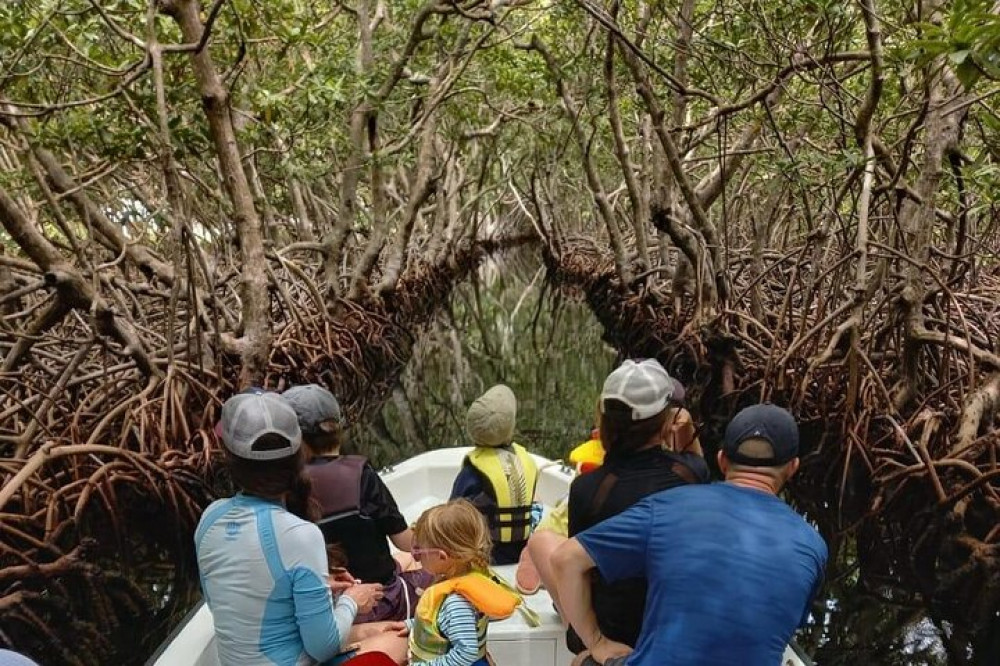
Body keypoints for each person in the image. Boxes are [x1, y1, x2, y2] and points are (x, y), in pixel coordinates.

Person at [552, 403, 829, 666]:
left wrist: (598, 642)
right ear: (793, 468)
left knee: (583, 661)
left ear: (722, 461)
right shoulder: (812, 545)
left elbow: (566, 559)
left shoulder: (668, 506)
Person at [195, 391, 407, 665]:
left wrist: (324, 586)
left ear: (230, 458)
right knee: (397, 638)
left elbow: (226, 602)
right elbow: (323, 647)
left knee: (375, 630)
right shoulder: (300, 535)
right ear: (299, 454)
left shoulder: (210, 517)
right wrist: (352, 600)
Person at [527, 359, 710, 657]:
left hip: (615, 638)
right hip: (669, 624)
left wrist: (596, 642)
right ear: (667, 422)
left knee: (543, 542)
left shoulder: (589, 490)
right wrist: (686, 434)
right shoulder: (691, 475)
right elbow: (696, 466)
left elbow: (582, 572)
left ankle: (588, 644)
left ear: (603, 421)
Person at [283, 383, 433, 623]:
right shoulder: (361, 474)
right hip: (380, 601)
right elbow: (406, 543)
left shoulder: (286, 486)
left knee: (401, 563)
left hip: (326, 605)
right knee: (435, 576)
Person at [401, 499, 520, 666]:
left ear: (442, 556)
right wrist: (411, 624)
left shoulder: (455, 603)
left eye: (419, 551)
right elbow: (441, 623)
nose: (416, 556)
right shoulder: (472, 578)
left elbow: (466, 653)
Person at [450, 384, 539, 565]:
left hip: (485, 554)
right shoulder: (526, 461)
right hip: (519, 549)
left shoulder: (471, 473)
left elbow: (452, 514)